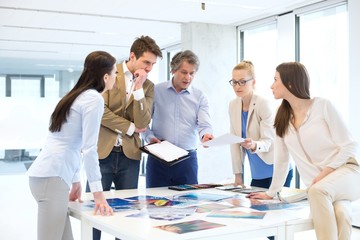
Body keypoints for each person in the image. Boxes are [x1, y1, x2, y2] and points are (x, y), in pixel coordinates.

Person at [248, 62, 360, 240]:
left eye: (275, 80)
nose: (271, 85)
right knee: (342, 213)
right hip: (322, 186)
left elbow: (350, 145)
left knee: (317, 191)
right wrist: (271, 192)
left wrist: (326, 172)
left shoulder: (322, 106)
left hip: (347, 173)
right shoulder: (281, 116)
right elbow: (282, 160)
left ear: (290, 83)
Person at [27, 51, 116, 240]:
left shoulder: (75, 95)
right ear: (106, 77)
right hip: (53, 178)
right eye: (115, 73)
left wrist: (76, 181)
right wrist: (98, 193)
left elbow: (70, 143)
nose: (116, 78)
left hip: (48, 176)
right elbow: (90, 148)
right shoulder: (93, 98)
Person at [88, 35, 162, 240]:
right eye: (146, 62)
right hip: (103, 152)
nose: (149, 69)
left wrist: (138, 88)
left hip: (130, 156)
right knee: (95, 208)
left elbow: (144, 121)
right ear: (132, 56)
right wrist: (129, 127)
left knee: (127, 213)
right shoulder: (109, 73)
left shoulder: (148, 86)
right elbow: (100, 111)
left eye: (153, 65)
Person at [143, 50, 214, 188]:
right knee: (155, 204)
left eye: (192, 73)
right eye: (184, 72)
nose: (188, 77)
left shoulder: (200, 97)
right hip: (159, 159)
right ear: (173, 70)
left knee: (188, 204)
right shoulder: (156, 91)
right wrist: (149, 137)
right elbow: (143, 122)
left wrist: (206, 135)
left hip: (187, 161)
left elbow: (204, 124)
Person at [228, 60, 293, 189]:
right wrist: (238, 175)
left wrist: (253, 144)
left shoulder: (263, 104)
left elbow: (268, 141)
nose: (237, 86)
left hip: (276, 167)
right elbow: (234, 142)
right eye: (234, 82)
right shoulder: (233, 105)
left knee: (276, 208)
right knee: (256, 207)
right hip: (257, 173)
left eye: (242, 81)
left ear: (253, 82)